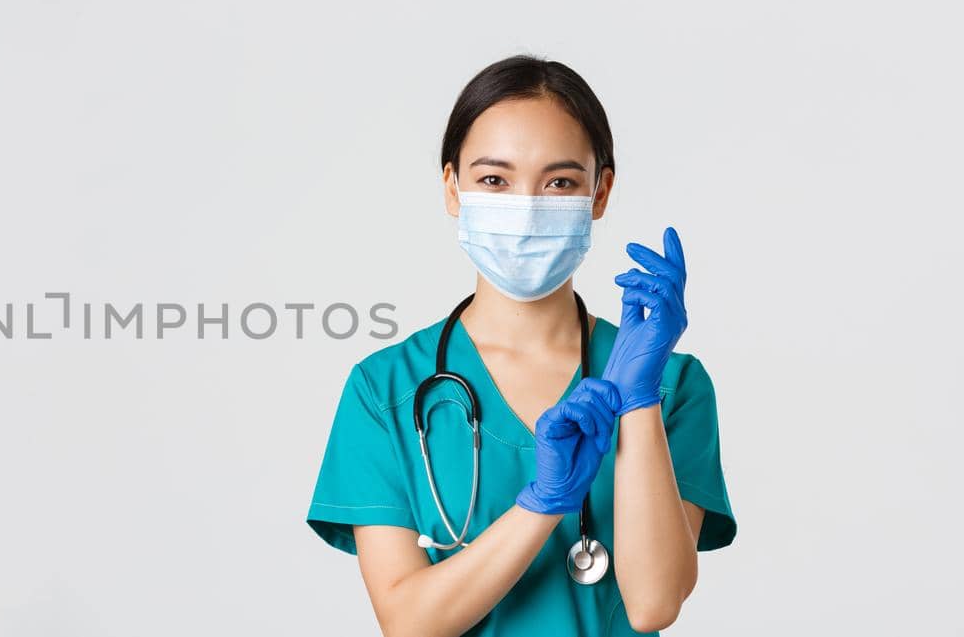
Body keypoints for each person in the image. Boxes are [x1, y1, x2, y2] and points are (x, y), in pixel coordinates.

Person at [304, 55, 736, 637]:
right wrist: (543, 503)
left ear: (600, 192)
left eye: (560, 181)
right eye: (493, 180)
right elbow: (409, 623)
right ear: (452, 187)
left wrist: (638, 403)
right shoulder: (384, 390)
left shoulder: (672, 385)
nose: (527, 207)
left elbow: (653, 605)